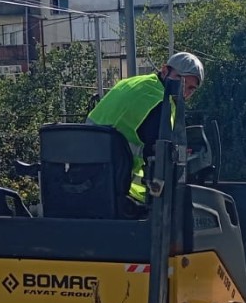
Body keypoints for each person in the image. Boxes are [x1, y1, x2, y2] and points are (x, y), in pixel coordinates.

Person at [86, 50, 203, 209]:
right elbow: (160, 155)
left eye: (191, 89)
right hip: (115, 188)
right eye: (180, 81)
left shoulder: (133, 83)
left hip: (85, 177)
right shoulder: (159, 102)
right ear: (164, 70)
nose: (184, 92)